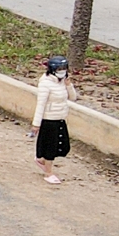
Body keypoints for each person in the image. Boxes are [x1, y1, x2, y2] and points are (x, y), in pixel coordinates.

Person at [32, 55, 76, 184]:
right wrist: (36, 124)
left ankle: (41, 161)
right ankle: (48, 172)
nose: (62, 71)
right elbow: (41, 104)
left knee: (63, 145)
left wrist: (69, 85)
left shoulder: (62, 82)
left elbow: (72, 97)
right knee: (50, 148)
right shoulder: (45, 83)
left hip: (60, 118)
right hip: (49, 119)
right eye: (59, 69)